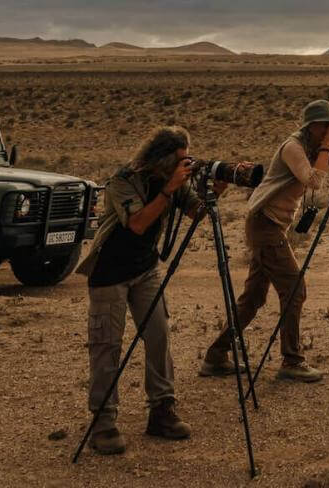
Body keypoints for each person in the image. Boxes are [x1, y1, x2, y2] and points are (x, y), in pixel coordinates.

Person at [75, 126, 228, 456]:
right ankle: (103, 423)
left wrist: (217, 190)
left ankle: (162, 410)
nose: (186, 164)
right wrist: (170, 188)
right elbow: (138, 223)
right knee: (107, 346)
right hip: (109, 273)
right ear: (163, 157)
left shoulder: (172, 179)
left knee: (158, 334)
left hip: (145, 269)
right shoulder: (124, 179)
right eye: (181, 158)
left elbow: (196, 212)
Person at [198, 100, 329, 383]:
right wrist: (328, 144)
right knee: (294, 289)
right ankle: (292, 360)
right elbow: (314, 180)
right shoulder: (293, 147)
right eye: (327, 124)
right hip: (264, 223)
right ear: (314, 126)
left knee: (253, 298)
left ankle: (216, 355)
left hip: (270, 226)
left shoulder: (318, 145)